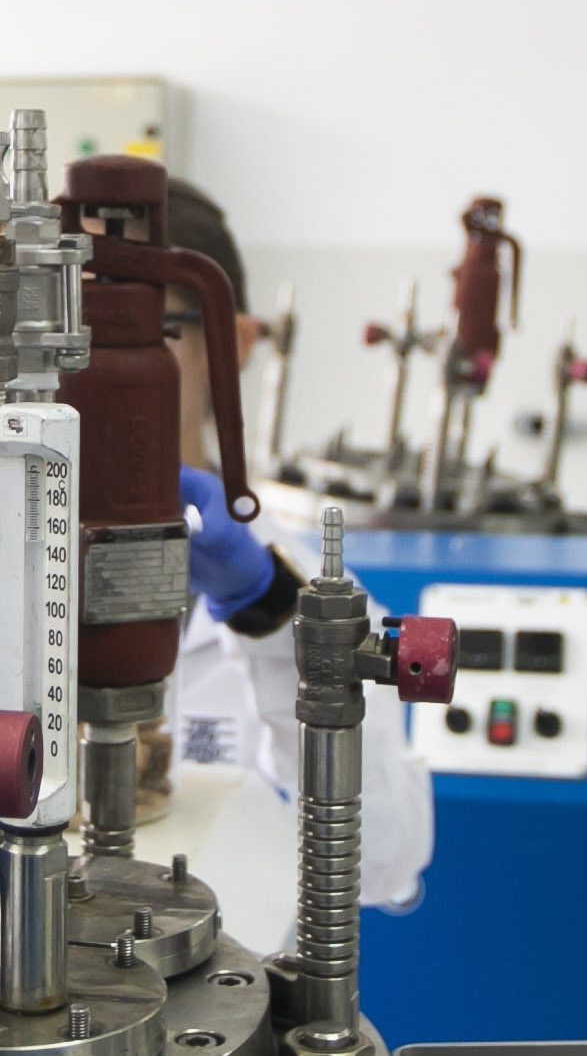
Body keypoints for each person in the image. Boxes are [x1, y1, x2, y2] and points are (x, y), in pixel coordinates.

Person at [162, 181, 432, 916]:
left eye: (149, 331)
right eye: (72, 330)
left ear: (231, 345)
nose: (97, 371)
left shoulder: (313, 593)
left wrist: (274, 623)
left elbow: (384, 862)